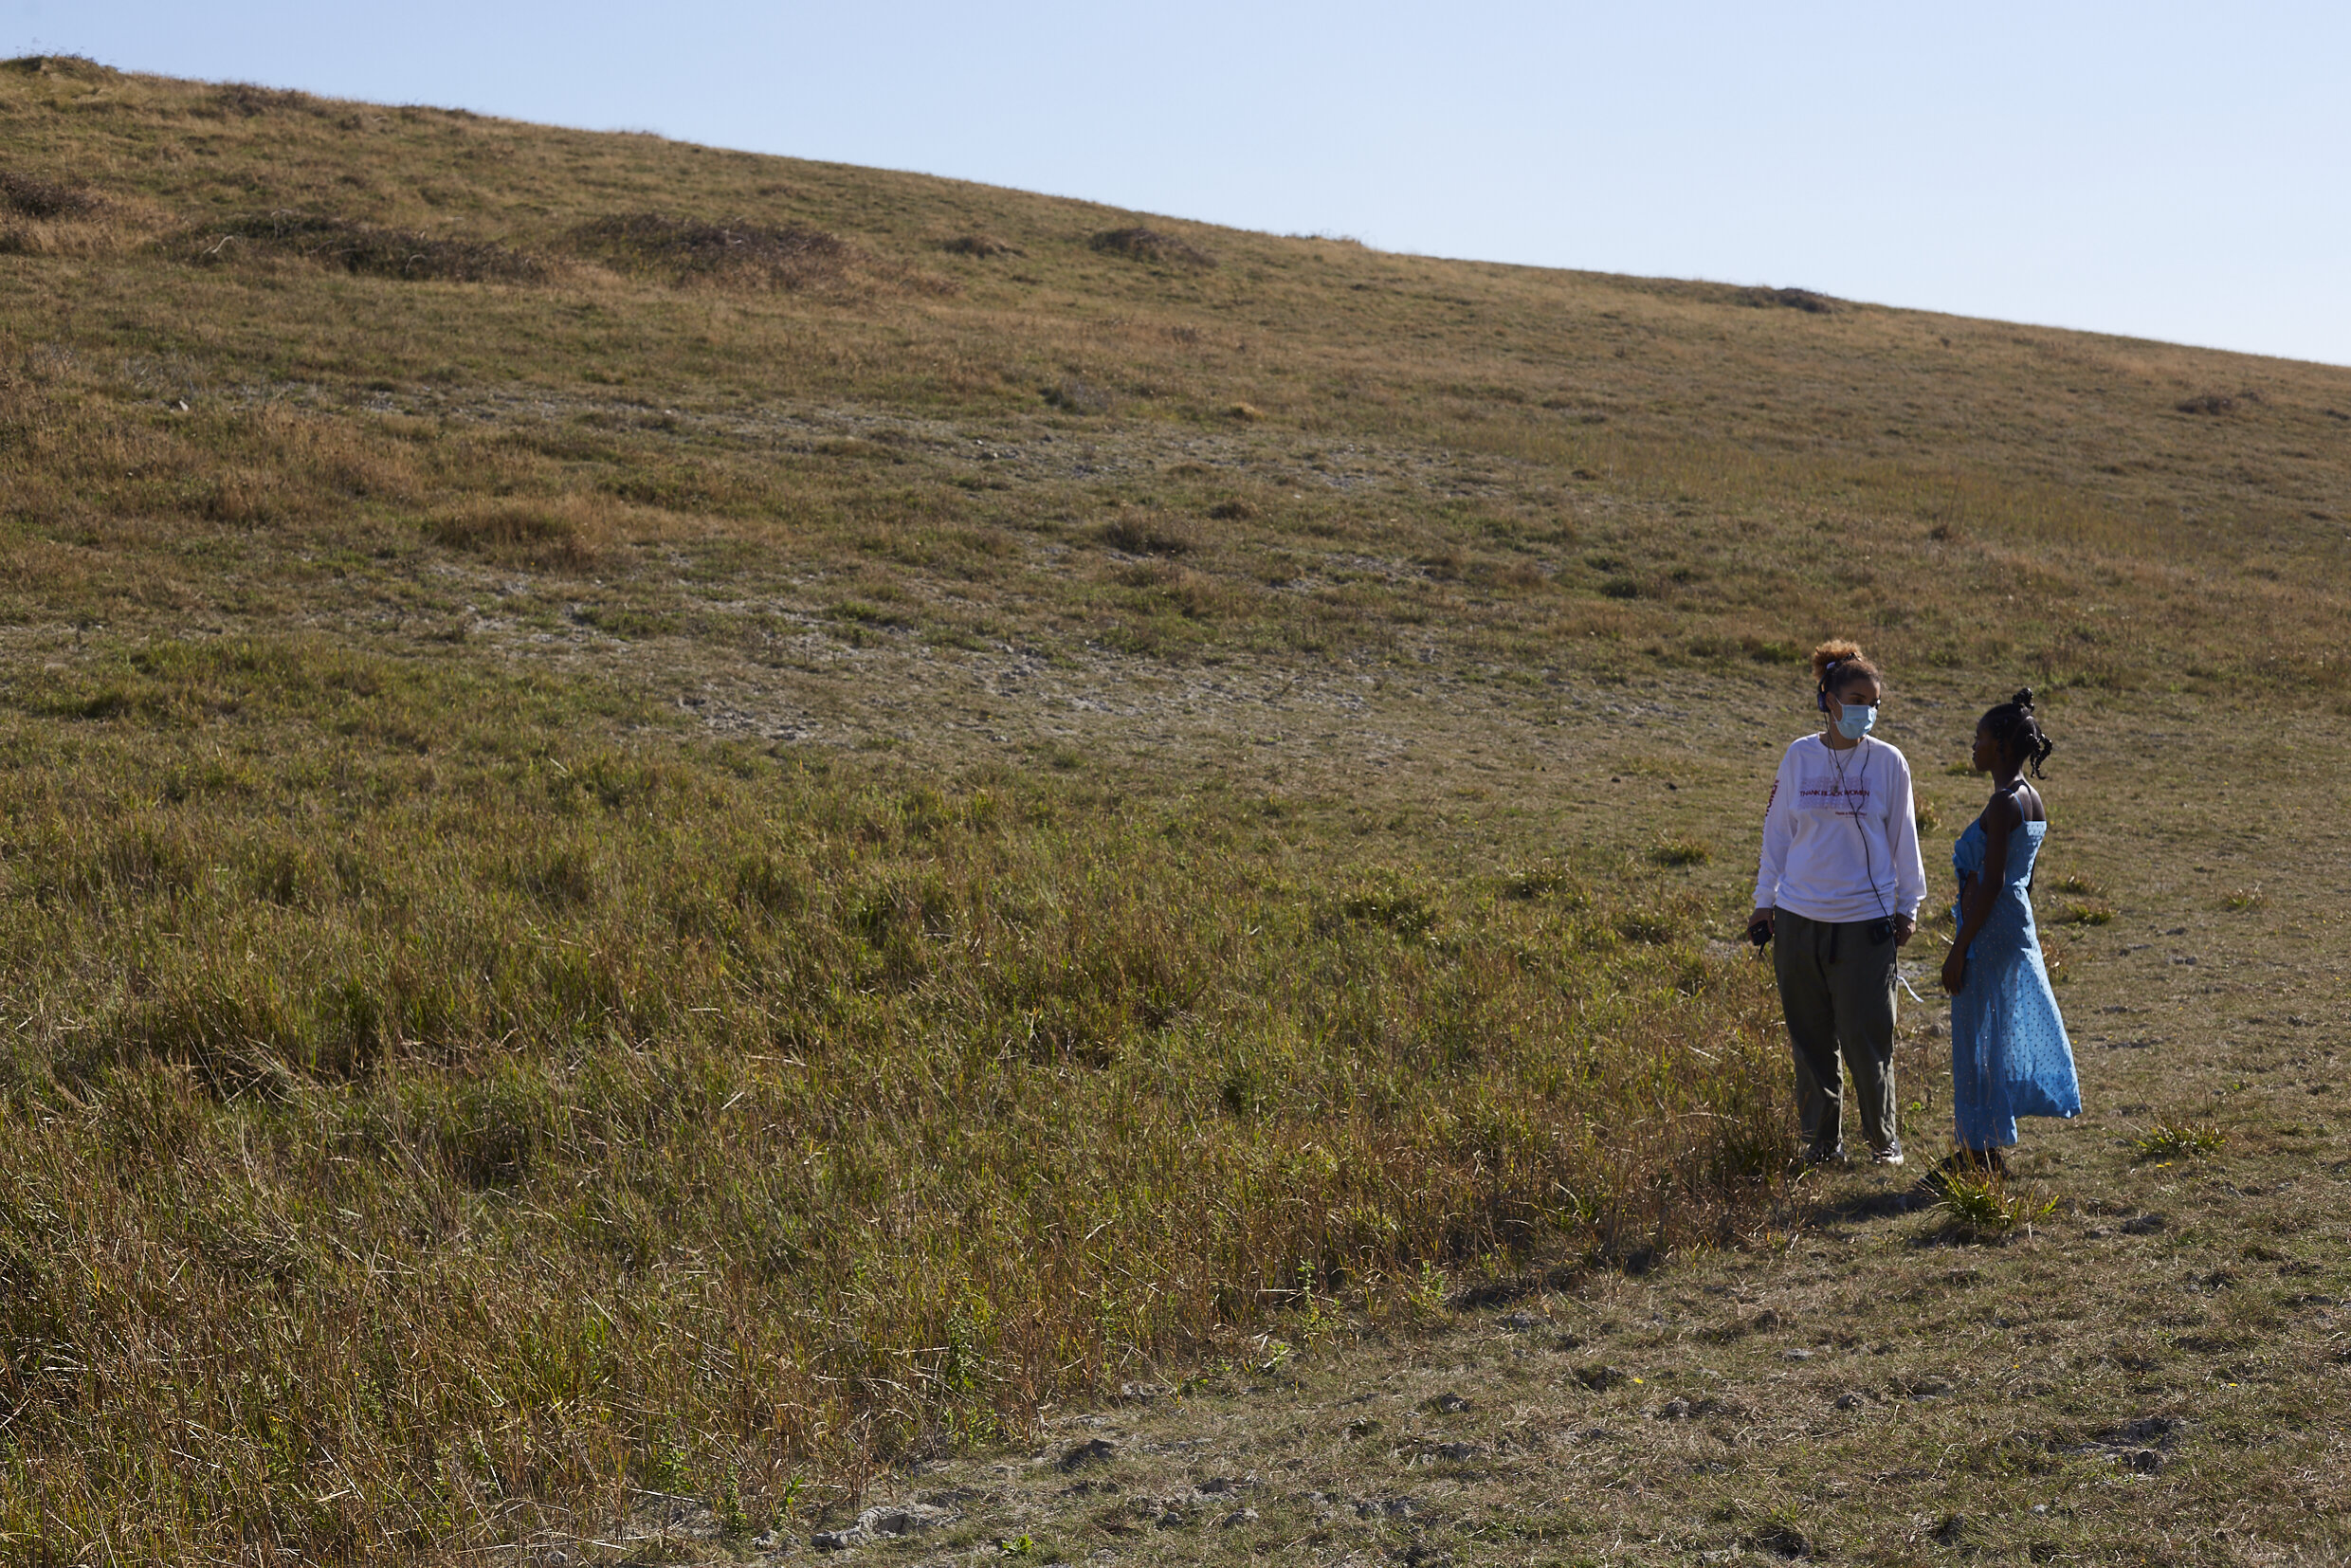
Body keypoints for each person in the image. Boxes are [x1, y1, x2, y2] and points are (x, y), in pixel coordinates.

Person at [1750, 640, 1928, 1167]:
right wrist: (1765, 902)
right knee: (1809, 1042)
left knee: (1867, 1040)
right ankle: (1821, 1143)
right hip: (1800, 921)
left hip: (1864, 926)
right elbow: (1776, 835)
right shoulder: (1799, 756)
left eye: (1873, 704)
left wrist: (1908, 907)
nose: (1865, 713)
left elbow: (1905, 839)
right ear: (1827, 698)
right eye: (1856, 699)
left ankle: (1884, 1144)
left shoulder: (1889, 763)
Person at [1938, 689, 2080, 1175]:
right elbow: (2025, 877)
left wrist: (1960, 949)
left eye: (1978, 739)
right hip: (2013, 925)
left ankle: (1978, 1152)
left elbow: (1995, 881)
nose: (1972, 747)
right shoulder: (2032, 799)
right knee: (1992, 1038)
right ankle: (1983, 1146)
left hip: (1989, 932)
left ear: (1999, 745)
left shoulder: (2003, 804)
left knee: (1976, 1039)